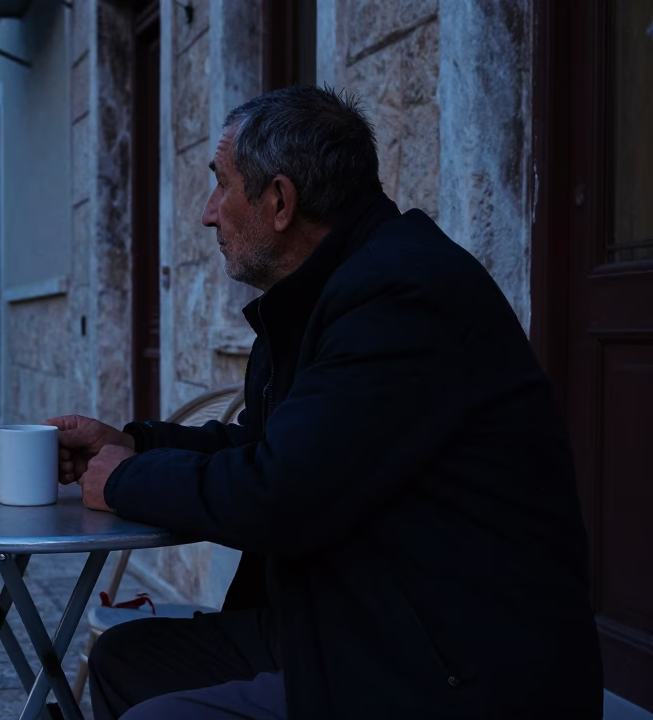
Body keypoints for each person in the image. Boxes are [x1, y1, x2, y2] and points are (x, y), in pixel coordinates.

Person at [49, 86, 601, 720]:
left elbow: (282, 494)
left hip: (454, 666)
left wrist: (126, 480)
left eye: (220, 186)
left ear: (280, 201)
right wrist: (135, 445)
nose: (208, 213)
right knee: (129, 660)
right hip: (351, 625)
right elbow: (268, 449)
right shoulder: (320, 297)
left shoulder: (402, 296)